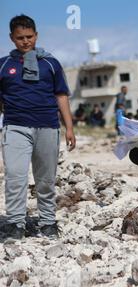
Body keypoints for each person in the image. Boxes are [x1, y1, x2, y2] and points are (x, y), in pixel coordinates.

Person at [0, 15, 76, 240]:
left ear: (36, 35)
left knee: (45, 179)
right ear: (12, 38)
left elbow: (61, 96)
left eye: (29, 37)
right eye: (20, 38)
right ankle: (15, 223)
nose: (25, 41)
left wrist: (69, 128)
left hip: (47, 127)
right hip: (15, 127)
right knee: (15, 175)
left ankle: (48, 222)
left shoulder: (51, 64)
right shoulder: (4, 64)